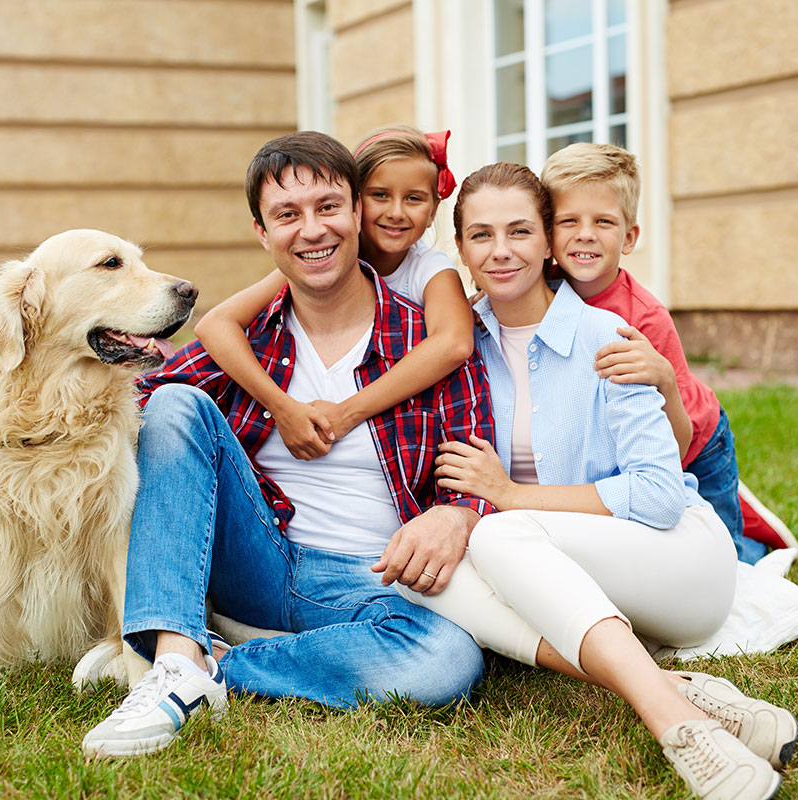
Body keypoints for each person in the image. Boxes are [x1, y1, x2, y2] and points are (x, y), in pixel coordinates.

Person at [80, 131, 495, 759]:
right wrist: (19, 366)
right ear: (262, 233)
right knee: (172, 404)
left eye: (328, 207)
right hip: (257, 553)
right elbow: (138, 402)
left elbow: (475, 457)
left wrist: (457, 511)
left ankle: (216, 665)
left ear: (357, 212)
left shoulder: (424, 336)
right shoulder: (255, 338)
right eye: (287, 215)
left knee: (447, 660)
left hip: (369, 581)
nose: (312, 230)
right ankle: (171, 665)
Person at [403, 162, 796, 800]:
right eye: (481, 236)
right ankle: (678, 692)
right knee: (421, 573)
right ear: (462, 252)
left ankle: (676, 727)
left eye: (519, 232)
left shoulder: (609, 337)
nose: (501, 251)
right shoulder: (455, 347)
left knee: (497, 538)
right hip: (571, 567)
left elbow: (658, 497)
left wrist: (507, 497)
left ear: (546, 241)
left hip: (678, 563)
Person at [541, 142, 794, 564]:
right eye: (569, 221)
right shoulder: (543, 290)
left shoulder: (645, 318)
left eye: (603, 221)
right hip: (630, 448)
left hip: (697, 445)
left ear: (630, 236)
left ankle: (756, 542)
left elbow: (676, 444)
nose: (585, 233)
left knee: (722, 560)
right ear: (548, 232)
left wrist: (661, 378)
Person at [194, 124, 473, 461]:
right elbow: (215, 325)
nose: (396, 212)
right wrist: (281, 406)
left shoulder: (428, 268)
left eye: (414, 198)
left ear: (432, 212)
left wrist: (347, 413)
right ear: (358, 204)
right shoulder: (320, 259)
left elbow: (454, 343)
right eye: (380, 195)